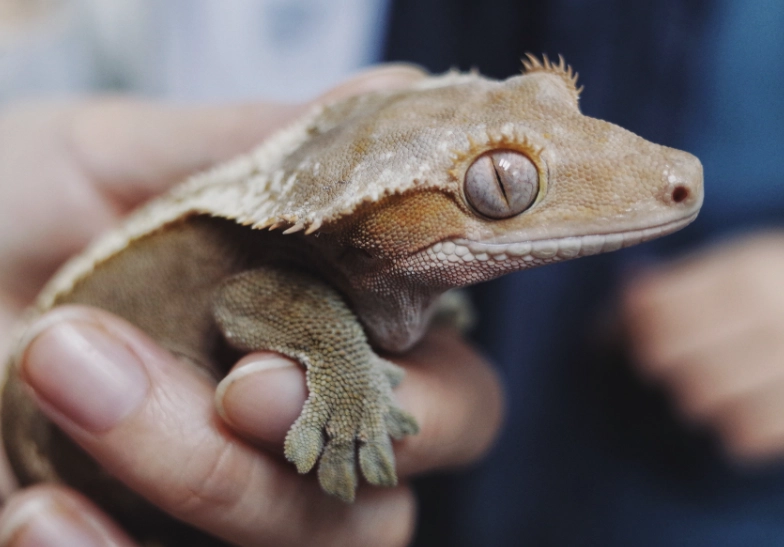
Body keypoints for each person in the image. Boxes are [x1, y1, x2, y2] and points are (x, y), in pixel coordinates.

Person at [0, 67, 504, 546]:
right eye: (504, 184)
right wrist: (342, 362)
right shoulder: (295, 226)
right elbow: (244, 299)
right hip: (45, 430)